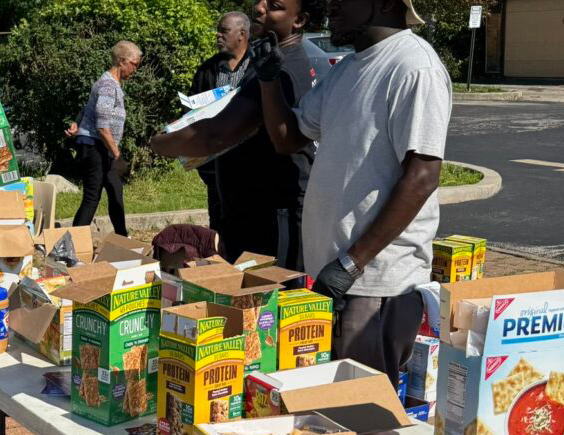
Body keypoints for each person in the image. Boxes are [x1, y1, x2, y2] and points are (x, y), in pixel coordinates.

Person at [253, 0, 450, 379]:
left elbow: (423, 175)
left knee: (366, 422)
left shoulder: (413, 66)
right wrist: (268, 80)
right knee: (331, 415)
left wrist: (351, 262)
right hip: (334, 278)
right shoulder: (347, 69)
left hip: (375, 283)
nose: (331, 7)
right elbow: (288, 138)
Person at [150, 0, 322, 269]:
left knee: (265, 302)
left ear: (299, 20)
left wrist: (161, 142)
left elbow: (215, 136)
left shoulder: (283, 68)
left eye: (274, 5)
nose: (259, 7)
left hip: (270, 217)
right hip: (252, 211)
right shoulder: (269, 61)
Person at [66, 40, 142, 237]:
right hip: (95, 147)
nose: (136, 70)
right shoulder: (108, 85)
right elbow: (102, 125)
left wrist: (77, 123)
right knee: (92, 197)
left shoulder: (109, 83)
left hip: (101, 147)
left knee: (116, 191)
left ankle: (122, 239)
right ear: (122, 61)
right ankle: (70, 246)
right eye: (135, 64)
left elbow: (88, 108)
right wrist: (117, 154)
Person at [189, 11, 252, 244]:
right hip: (216, 164)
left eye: (224, 30)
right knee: (218, 222)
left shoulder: (257, 67)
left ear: (242, 34)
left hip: (251, 164)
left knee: (250, 224)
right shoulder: (207, 70)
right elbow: (191, 111)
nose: (218, 35)